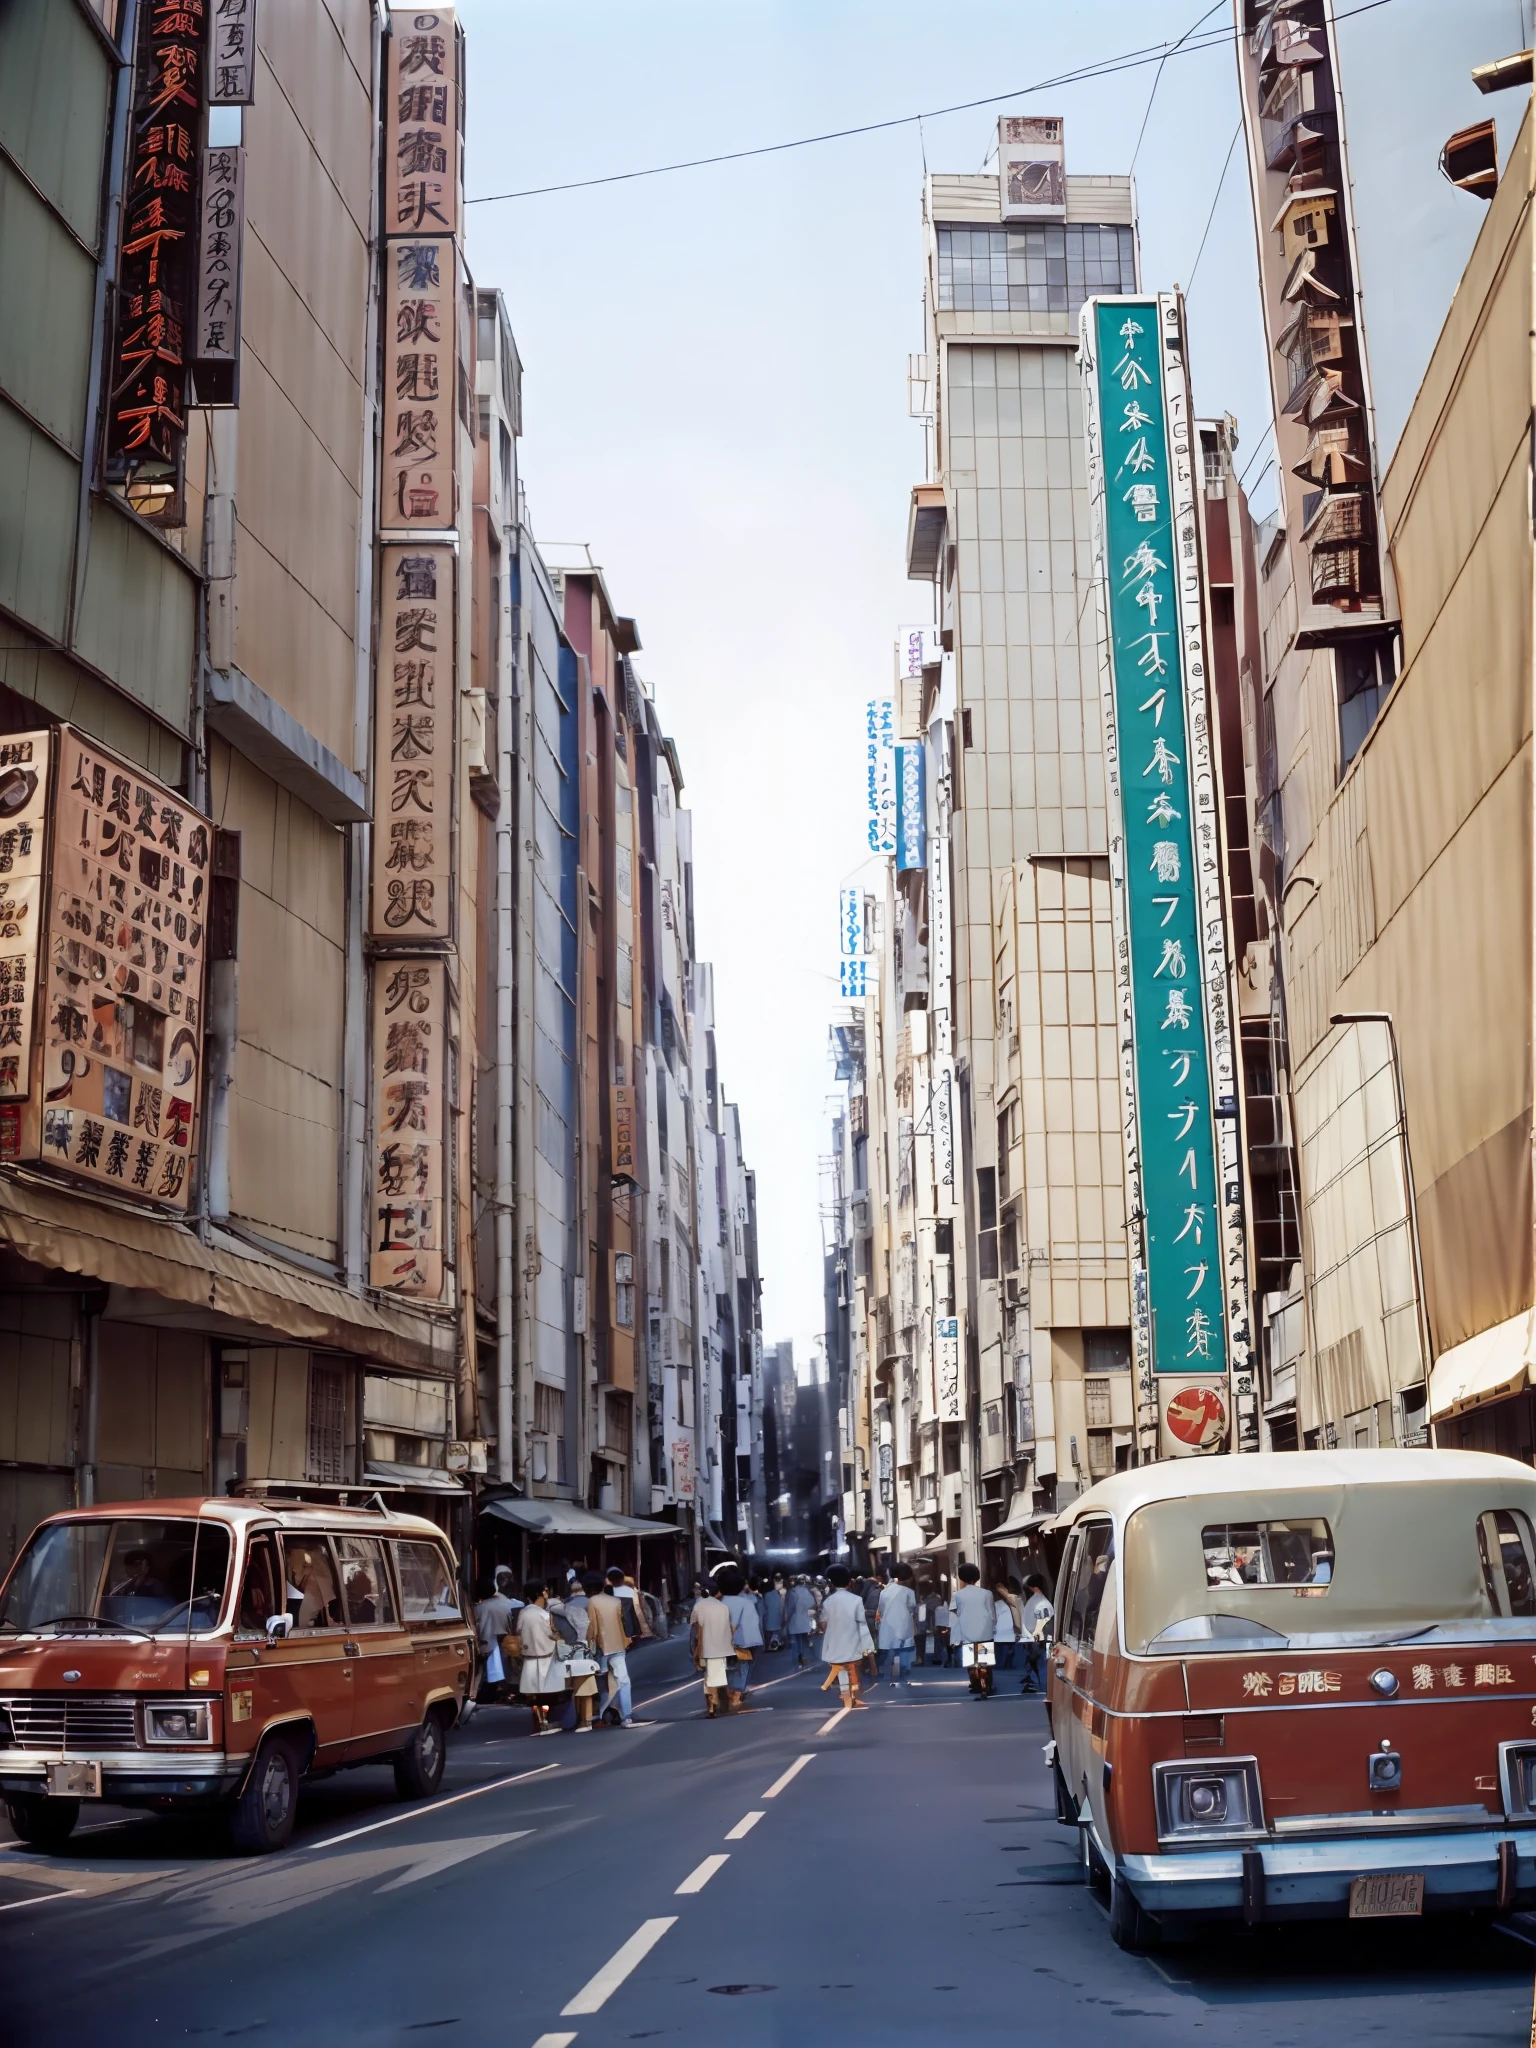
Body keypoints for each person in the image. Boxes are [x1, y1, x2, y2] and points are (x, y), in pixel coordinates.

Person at [820, 1565, 873, 1708]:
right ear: (849, 1581)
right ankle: (854, 1693)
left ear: (831, 1583)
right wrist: (868, 1645)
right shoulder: (856, 1600)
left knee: (840, 1667)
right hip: (853, 1640)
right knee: (854, 1668)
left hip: (835, 1641)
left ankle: (845, 1693)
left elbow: (823, 1624)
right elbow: (862, 1623)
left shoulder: (828, 1601)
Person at [517, 1581, 564, 1735]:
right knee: (548, 1691)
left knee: (534, 1693)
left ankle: (538, 1722)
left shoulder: (523, 1613)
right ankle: (546, 1722)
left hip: (529, 1658)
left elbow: (518, 1632)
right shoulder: (545, 1615)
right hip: (547, 1658)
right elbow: (554, 1635)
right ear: (542, 1593)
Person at [690, 1578, 737, 1716]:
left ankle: (713, 1707)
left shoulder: (699, 1606)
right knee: (716, 1675)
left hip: (706, 1647)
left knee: (711, 1677)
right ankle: (719, 1704)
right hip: (722, 1647)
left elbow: (693, 1625)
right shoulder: (723, 1607)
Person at [951, 1562, 998, 1698]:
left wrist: (955, 1634)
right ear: (977, 1577)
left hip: (967, 1629)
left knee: (972, 1661)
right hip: (984, 1629)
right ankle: (986, 1685)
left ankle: (975, 1684)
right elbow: (992, 1614)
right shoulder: (986, 1593)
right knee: (985, 1661)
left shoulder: (958, 1595)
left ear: (962, 1578)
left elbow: (954, 1613)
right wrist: (993, 1627)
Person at [720, 1568, 762, 1709]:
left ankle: (730, 1694)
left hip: (726, 1643)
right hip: (744, 1642)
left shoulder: (721, 1602)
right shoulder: (744, 1602)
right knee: (743, 1668)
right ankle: (735, 1696)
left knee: (729, 1669)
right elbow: (733, 1625)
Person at [876, 1561, 918, 1689]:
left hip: (887, 1625)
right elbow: (912, 1608)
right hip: (904, 1624)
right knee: (905, 1652)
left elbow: (880, 1609)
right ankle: (903, 1678)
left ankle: (887, 1676)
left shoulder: (884, 1592)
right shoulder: (909, 1592)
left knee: (889, 1651)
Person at [1019, 1572, 1053, 1695]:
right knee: (1041, 1663)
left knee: (1038, 1664)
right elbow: (1041, 1620)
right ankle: (1042, 1686)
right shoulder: (1041, 1601)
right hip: (1037, 1638)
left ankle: (1037, 1684)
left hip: (1032, 1638)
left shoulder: (1035, 1601)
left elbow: (1039, 1619)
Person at [784, 1574, 817, 1669]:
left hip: (794, 1621)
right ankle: (807, 1659)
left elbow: (790, 1608)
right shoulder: (806, 1592)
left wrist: (785, 1620)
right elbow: (812, 1604)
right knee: (804, 1641)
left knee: (795, 1642)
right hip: (805, 1620)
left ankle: (798, 1661)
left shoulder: (792, 1592)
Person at [992, 1574, 1022, 1670]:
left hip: (1002, 1637)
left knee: (1001, 1662)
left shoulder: (1000, 1604)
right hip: (1009, 1636)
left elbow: (993, 1619)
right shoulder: (1017, 1601)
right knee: (1006, 1661)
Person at [761, 1574, 785, 1651]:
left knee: (769, 1633)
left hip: (768, 1619)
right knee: (776, 1632)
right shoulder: (778, 1594)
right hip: (777, 1618)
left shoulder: (765, 1596)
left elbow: (763, 1608)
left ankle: (768, 1646)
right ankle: (777, 1644)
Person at [933, 1586, 953, 1668]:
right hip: (946, 1627)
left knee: (942, 1645)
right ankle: (948, 1660)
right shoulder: (947, 1609)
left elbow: (936, 1619)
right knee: (946, 1645)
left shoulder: (938, 1609)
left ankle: (943, 1660)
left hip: (940, 1628)